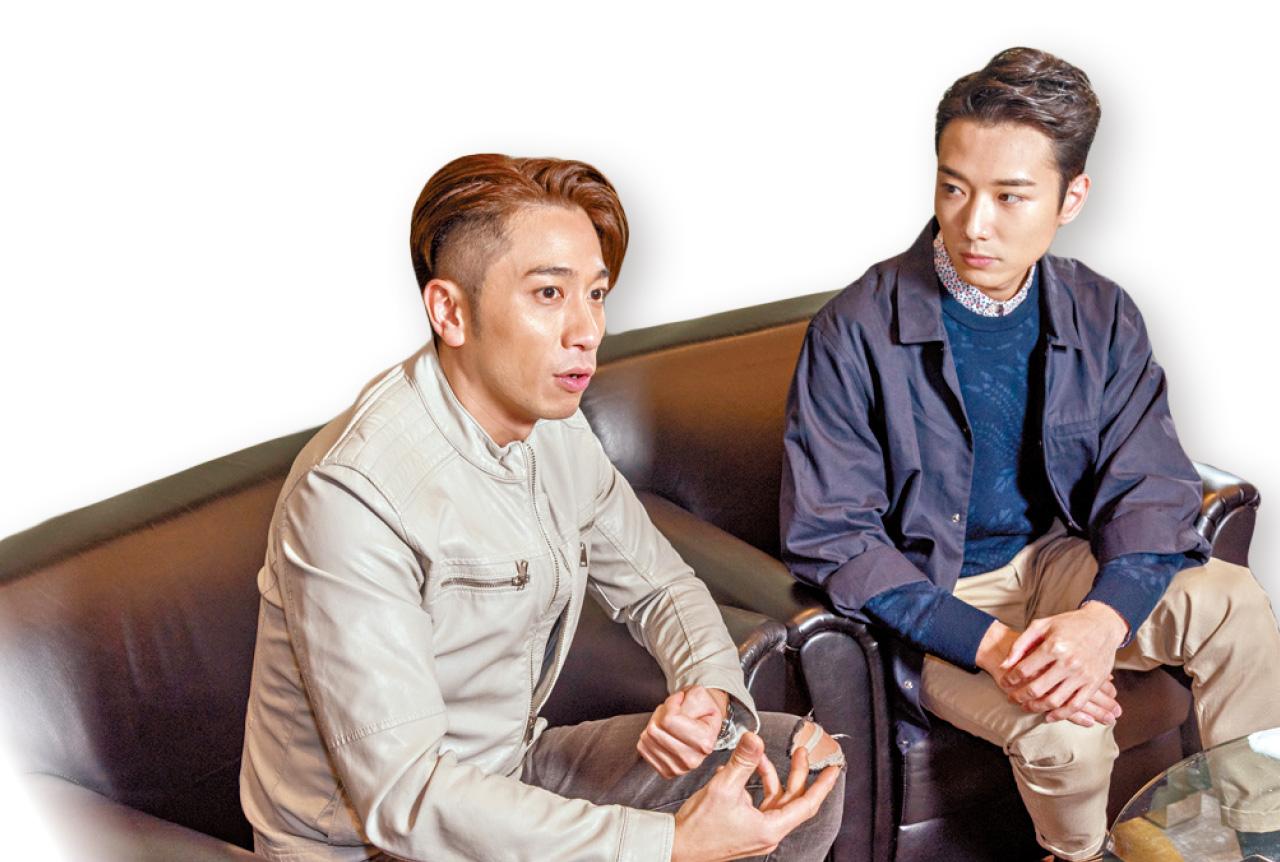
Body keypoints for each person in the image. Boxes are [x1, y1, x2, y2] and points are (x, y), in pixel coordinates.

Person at [240, 153, 844, 862]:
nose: (587, 329)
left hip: (510, 773)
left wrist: (706, 691)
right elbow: (406, 796)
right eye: (549, 293)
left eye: (596, 293)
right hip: (368, 843)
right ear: (450, 312)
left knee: (799, 768)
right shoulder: (353, 496)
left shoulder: (556, 428)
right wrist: (669, 843)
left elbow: (660, 586)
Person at [779, 47, 1280, 861]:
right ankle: (1078, 857)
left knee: (1233, 603)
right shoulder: (853, 331)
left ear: (1070, 197)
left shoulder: (1101, 312)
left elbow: (1151, 485)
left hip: (1057, 566)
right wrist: (996, 649)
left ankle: (1262, 836)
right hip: (937, 598)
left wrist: (1100, 622)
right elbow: (834, 536)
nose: (974, 223)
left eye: (1010, 196)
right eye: (953, 187)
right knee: (1067, 738)